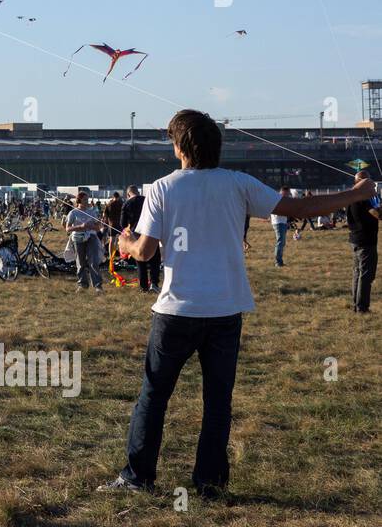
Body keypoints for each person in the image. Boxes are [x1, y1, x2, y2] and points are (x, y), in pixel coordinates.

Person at [106, 109, 376, 497]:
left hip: (176, 313)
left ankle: (137, 478)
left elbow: (145, 253)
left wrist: (125, 242)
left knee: (154, 395)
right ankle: (209, 485)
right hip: (225, 310)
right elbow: (299, 209)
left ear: (180, 147)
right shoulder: (237, 184)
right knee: (218, 402)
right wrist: (356, 194)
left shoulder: (163, 188)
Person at [345, 170, 379, 314]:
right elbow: (378, 214)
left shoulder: (351, 196)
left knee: (357, 273)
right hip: (366, 241)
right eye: (369, 181)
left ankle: (356, 304)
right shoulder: (363, 198)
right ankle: (362, 307)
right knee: (365, 275)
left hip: (355, 239)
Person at [120, 184, 160, 293]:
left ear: (128, 194)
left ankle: (143, 287)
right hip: (151, 232)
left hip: (136, 234)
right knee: (155, 259)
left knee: (140, 261)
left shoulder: (126, 204)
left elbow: (122, 223)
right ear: (137, 191)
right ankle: (154, 283)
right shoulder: (147, 200)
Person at [65, 192, 104, 291]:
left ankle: (98, 286)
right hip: (78, 239)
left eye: (87, 199)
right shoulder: (73, 213)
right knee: (80, 262)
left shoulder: (92, 212)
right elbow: (68, 228)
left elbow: (98, 227)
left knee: (93, 261)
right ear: (79, 200)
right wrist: (80, 227)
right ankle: (82, 284)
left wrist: (94, 226)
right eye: (85, 200)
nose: (87, 201)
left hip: (91, 237)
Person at [270, 188, 291, 267]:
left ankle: (280, 261)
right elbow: (275, 211)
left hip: (283, 222)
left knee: (282, 242)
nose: (287, 196)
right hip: (278, 222)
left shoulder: (284, 201)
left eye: (288, 194)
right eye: (286, 194)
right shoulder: (276, 200)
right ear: (282, 192)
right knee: (280, 242)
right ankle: (278, 262)